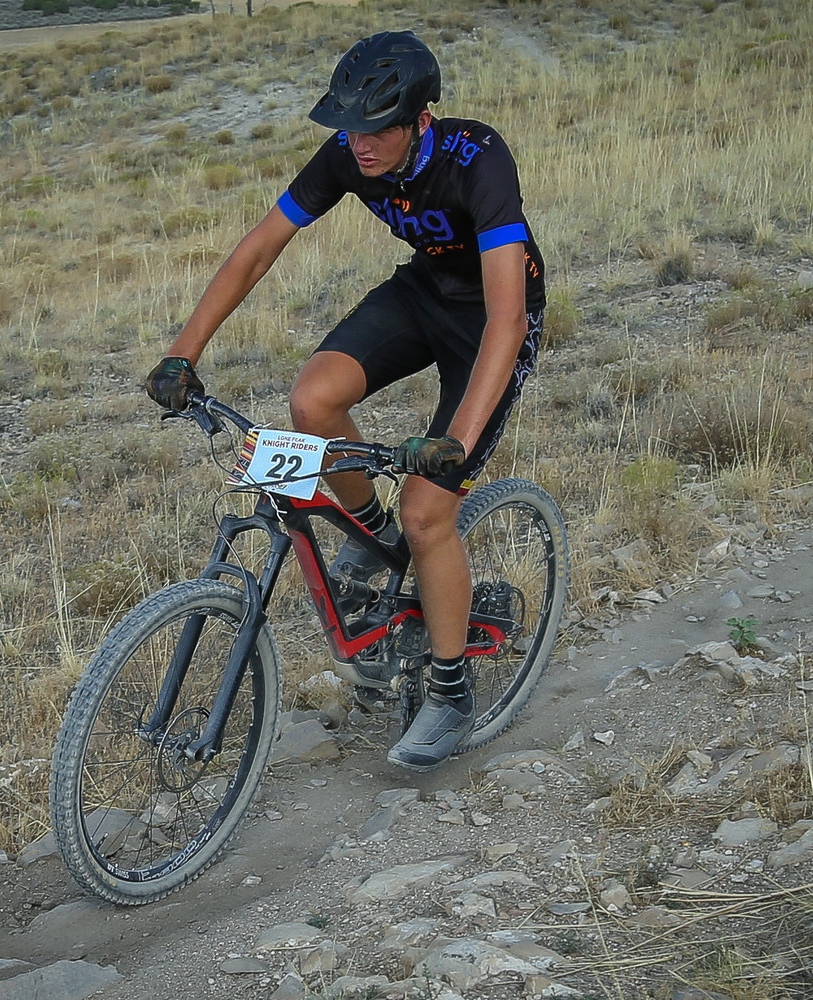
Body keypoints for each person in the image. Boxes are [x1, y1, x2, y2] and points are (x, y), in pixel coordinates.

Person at [145, 30, 546, 771]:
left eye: (375, 130)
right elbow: (259, 248)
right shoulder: (348, 155)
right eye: (348, 128)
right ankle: (372, 535)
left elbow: (507, 317)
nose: (357, 144)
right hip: (424, 292)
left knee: (428, 512)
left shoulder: (477, 158)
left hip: (492, 321)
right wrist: (183, 352)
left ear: (419, 120)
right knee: (312, 402)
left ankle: (450, 690)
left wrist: (454, 444)